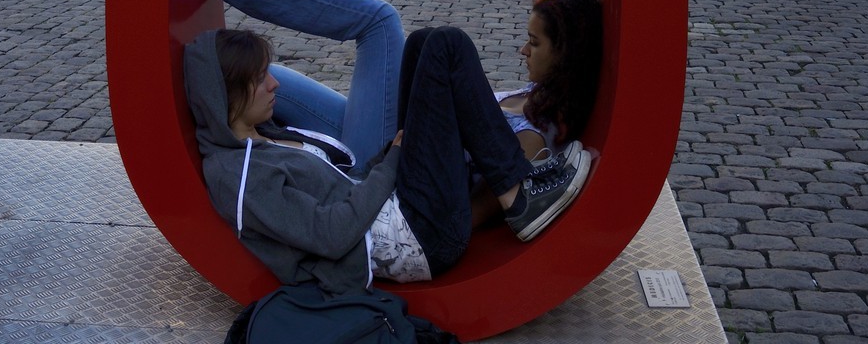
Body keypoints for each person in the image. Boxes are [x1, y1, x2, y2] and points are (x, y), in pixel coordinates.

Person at [185, 24, 591, 293]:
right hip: (419, 239)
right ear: (225, 95)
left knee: (421, 43)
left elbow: (347, 182)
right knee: (447, 46)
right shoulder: (239, 175)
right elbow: (332, 233)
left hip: (403, 208)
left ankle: (513, 189)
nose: (273, 83)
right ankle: (517, 194)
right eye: (259, 79)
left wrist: (386, 156)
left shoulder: (266, 136)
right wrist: (395, 160)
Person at [207, 0, 602, 173]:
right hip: (388, 133)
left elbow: (469, 194)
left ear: (567, 55)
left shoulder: (536, 140)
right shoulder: (532, 96)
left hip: (380, 168)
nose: (521, 50)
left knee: (380, 21)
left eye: (534, 44)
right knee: (261, 75)